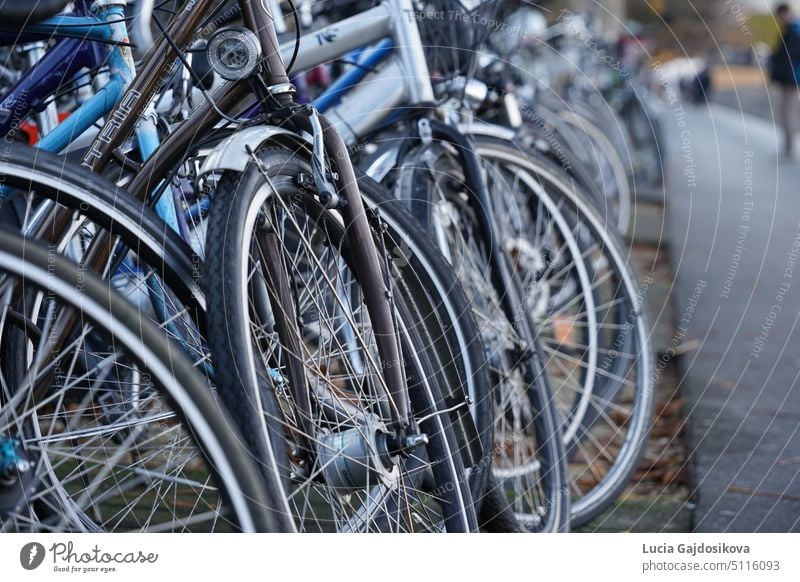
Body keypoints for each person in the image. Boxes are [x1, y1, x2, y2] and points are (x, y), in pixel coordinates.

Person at [770, 3, 800, 156]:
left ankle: (790, 147)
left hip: (791, 79)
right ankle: (788, 146)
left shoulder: (794, 30)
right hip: (788, 78)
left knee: (788, 112)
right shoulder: (790, 30)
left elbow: (788, 58)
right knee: (786, 112)